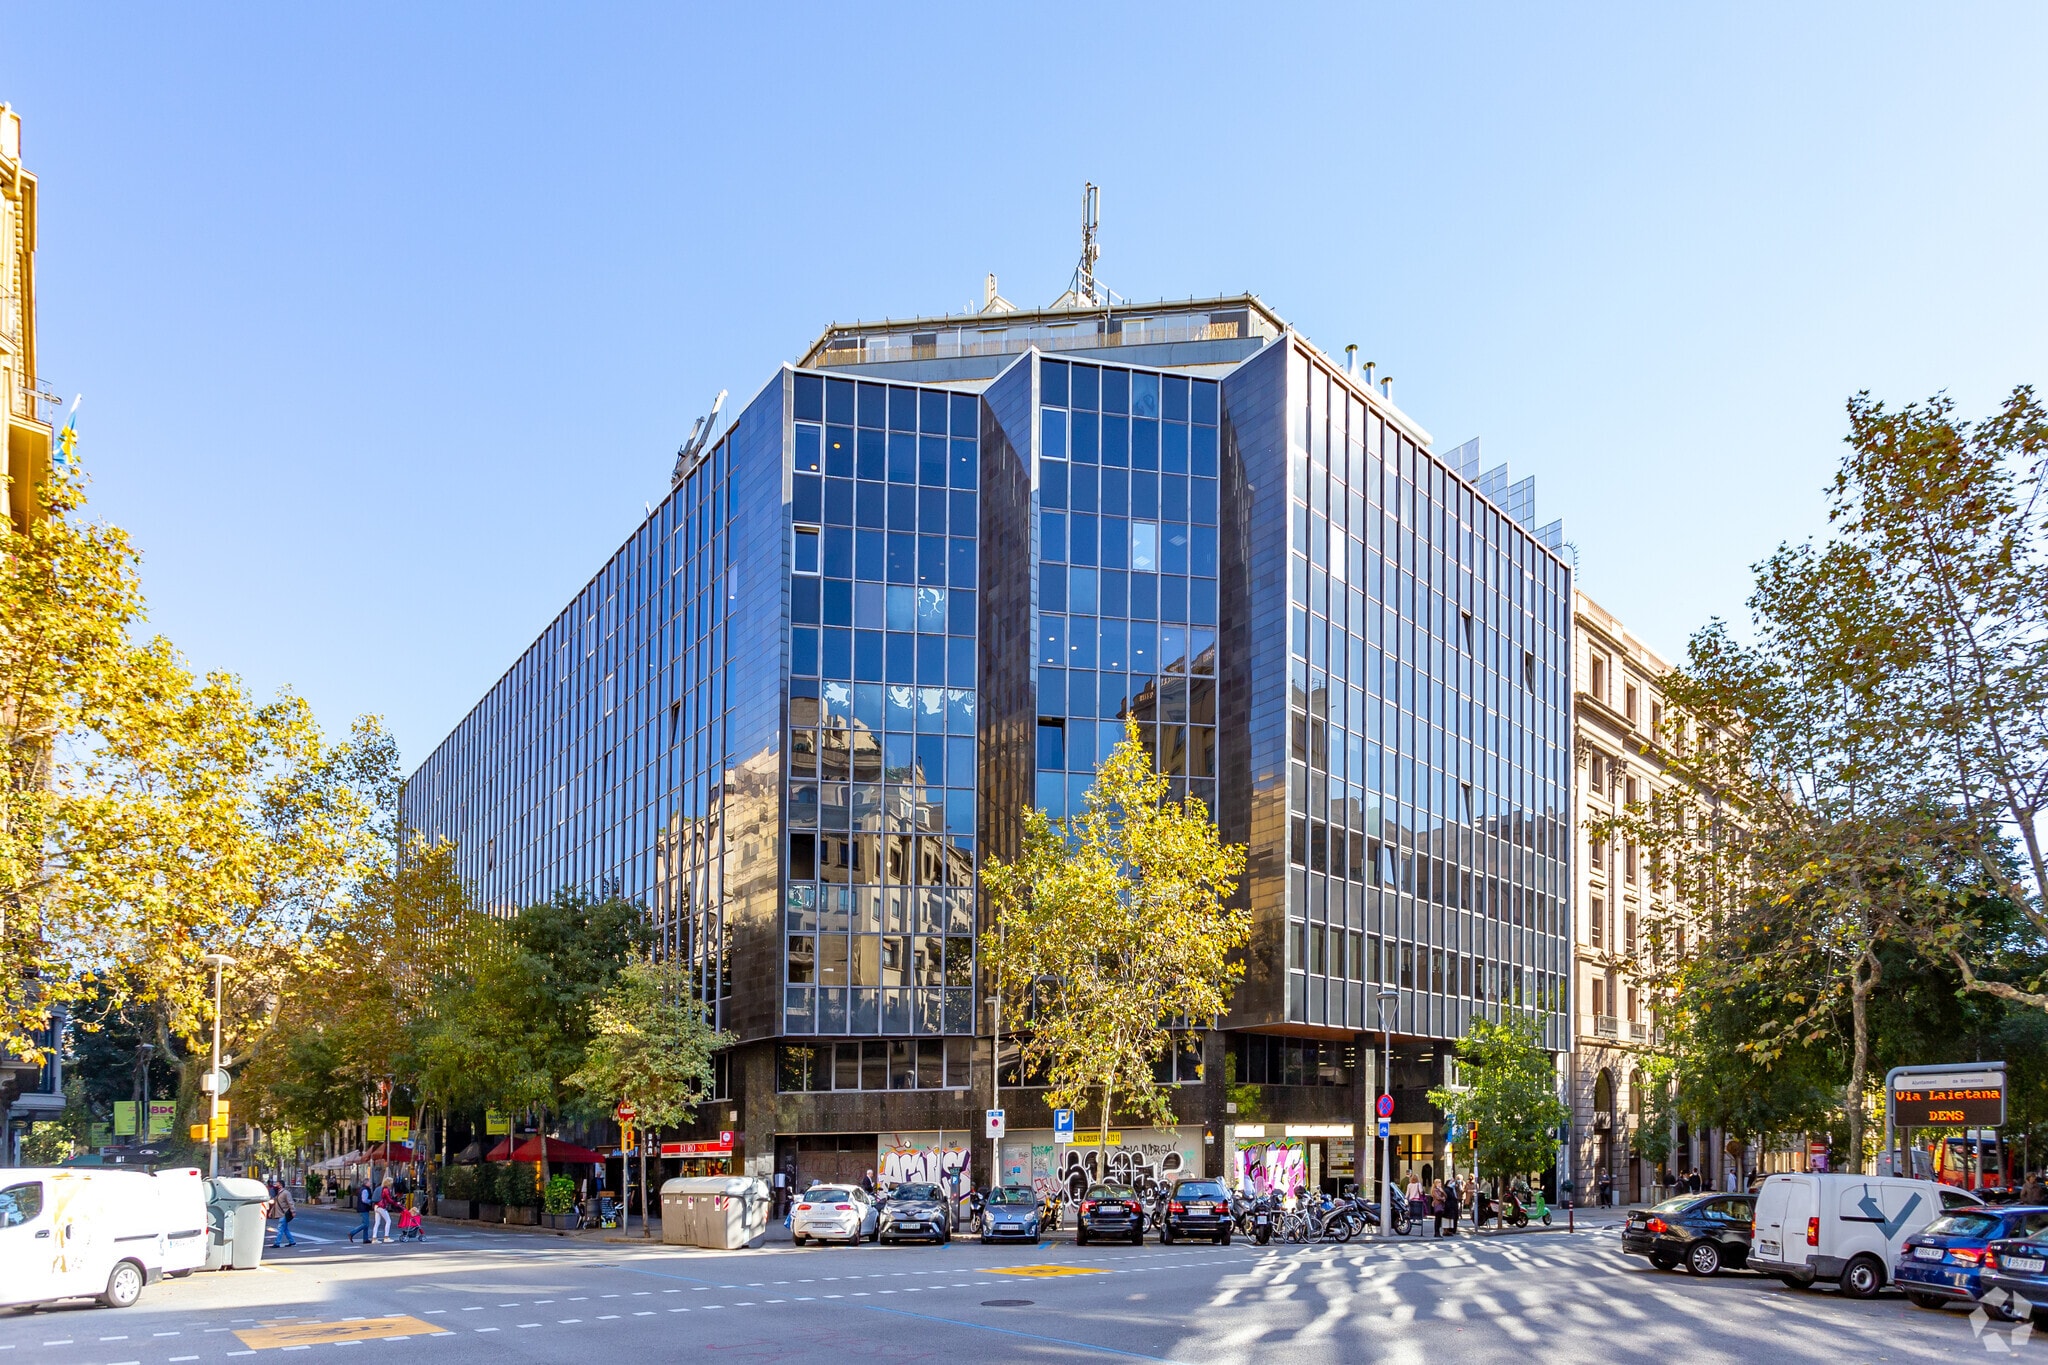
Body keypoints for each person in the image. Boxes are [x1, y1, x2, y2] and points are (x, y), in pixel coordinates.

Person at [268, 1179, 298, 1249]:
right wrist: (271, 1212)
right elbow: (276, 1204)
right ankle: (292, 1242)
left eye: (277, 1183)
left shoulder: (286, 1193)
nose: (276, 1184)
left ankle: (277, 1243)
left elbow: (290, 1202)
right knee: (285, 1229)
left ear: (281, 1185)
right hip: (281, 1213)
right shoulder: (279, 1193)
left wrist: (293, 1211)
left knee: (280, 1228)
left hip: (284, 1213)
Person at [349, 1179, 375, 1244]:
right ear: (366, 1183)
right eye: (369, 1182)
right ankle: (352, 1233)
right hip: (363, 1208)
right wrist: (371, 1201)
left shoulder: (363, 1189)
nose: (370, 1183)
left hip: (363, 1208)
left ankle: (365, 1239)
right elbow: (364, 1200)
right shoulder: (365, 1190)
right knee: (365, 1224)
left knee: (366, 1224)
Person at [373, 1178, 396, 1243]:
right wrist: (395, 1203)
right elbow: (389, 1199)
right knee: (388, 1221)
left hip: (376, 1206)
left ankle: (374, 1238)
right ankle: (386, 1237)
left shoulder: (379, 1188)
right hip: (382, 1206)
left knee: (377, 1222)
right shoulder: (386, 1189)